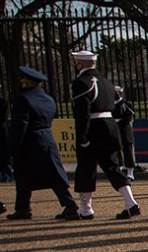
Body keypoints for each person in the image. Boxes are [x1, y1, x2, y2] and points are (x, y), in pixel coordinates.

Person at [68, 49, 140, 220]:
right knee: (112, 166)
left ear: (80, 64)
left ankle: (86, 209)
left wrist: (82, 136)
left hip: (93, 128)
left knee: (86, 168)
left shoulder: (81, 82)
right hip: (109, 127)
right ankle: (131, 203)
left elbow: (82, 113)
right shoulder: (106, 82)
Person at [5, 66, 78, 220]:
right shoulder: (47, 98)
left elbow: (20, 125)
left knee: (23, 175)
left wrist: (13, 146)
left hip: (29, 142)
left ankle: (23, 208)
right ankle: (69, 203)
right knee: (54, 175)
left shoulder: (23, 99)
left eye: (23, 79)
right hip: (46, 138)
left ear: (28, 82)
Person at [111, 85, 138, 178]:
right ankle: (120, 169)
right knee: (116, 148)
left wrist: (118, 123)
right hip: (115, 129)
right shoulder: (110, 105)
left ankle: (130, 172)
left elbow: (128, 117)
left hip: (125, 129)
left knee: (128, 149)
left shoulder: (126, 104)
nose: (116, 94)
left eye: (117, 92)